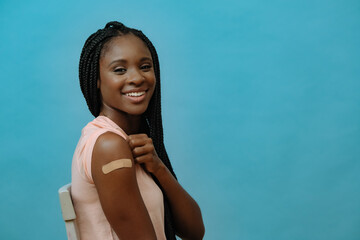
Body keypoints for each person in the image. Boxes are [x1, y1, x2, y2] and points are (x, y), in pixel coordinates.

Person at [71, 21, 205, 240]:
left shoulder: (131, 142)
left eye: (145, 66)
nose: (136, 78)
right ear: (96, 79)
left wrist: (158, 167)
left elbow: (195, 232)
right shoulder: (108, 146)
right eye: (120, 70)